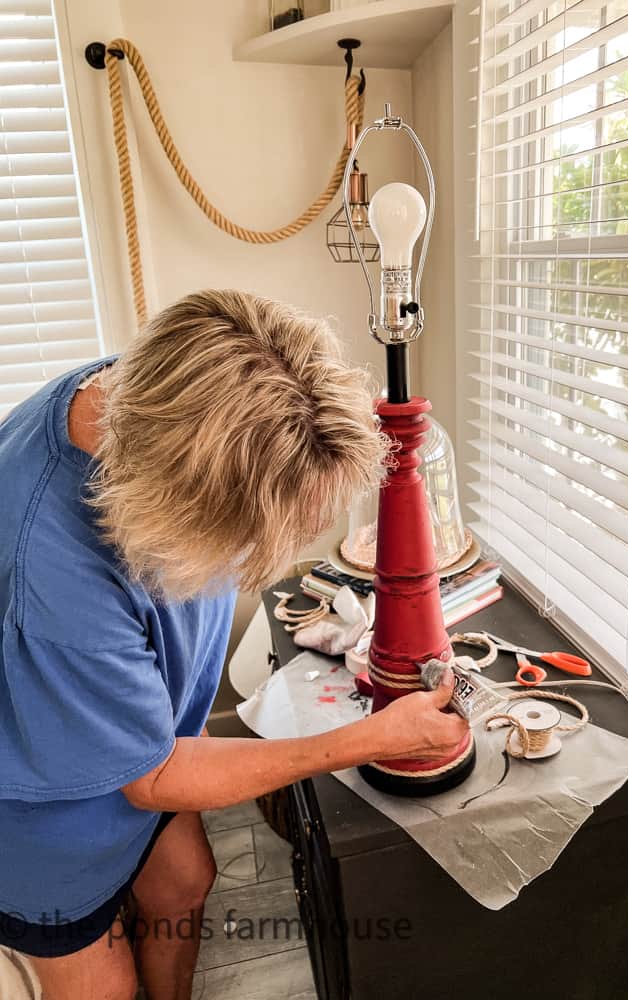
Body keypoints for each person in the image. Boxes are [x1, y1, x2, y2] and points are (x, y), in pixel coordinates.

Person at [0, 290, 467, 1000]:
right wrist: (369, 737)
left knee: (188, 878)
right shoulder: (54, 579)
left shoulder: (152, 391)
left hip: (136, 736)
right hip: (39, 821)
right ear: (181, 509)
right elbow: (153, 777)